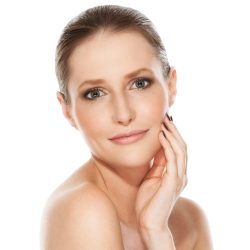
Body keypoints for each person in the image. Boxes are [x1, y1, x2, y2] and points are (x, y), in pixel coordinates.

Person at [40, 5, 213, 250]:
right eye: (95, 93)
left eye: (139, 83)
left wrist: (155, 231)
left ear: (171, 86)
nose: (123, 114)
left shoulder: (189, 218)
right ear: (67, 110)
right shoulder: (83, 209)